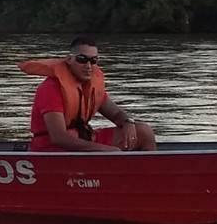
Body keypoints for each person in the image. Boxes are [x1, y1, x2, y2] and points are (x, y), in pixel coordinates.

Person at [20, 36, 156, 152]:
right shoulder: (50, 88)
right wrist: (102, 149)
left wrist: (128, 122)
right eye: (82, 59)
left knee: (144, 131)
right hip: (52, 149)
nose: (88, 66)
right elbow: (58, 137)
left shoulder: (90, 87)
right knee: (110, 150)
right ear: (69, 60)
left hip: (84, 137)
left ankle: (152, 177)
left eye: (93, 61)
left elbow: (116, 114)